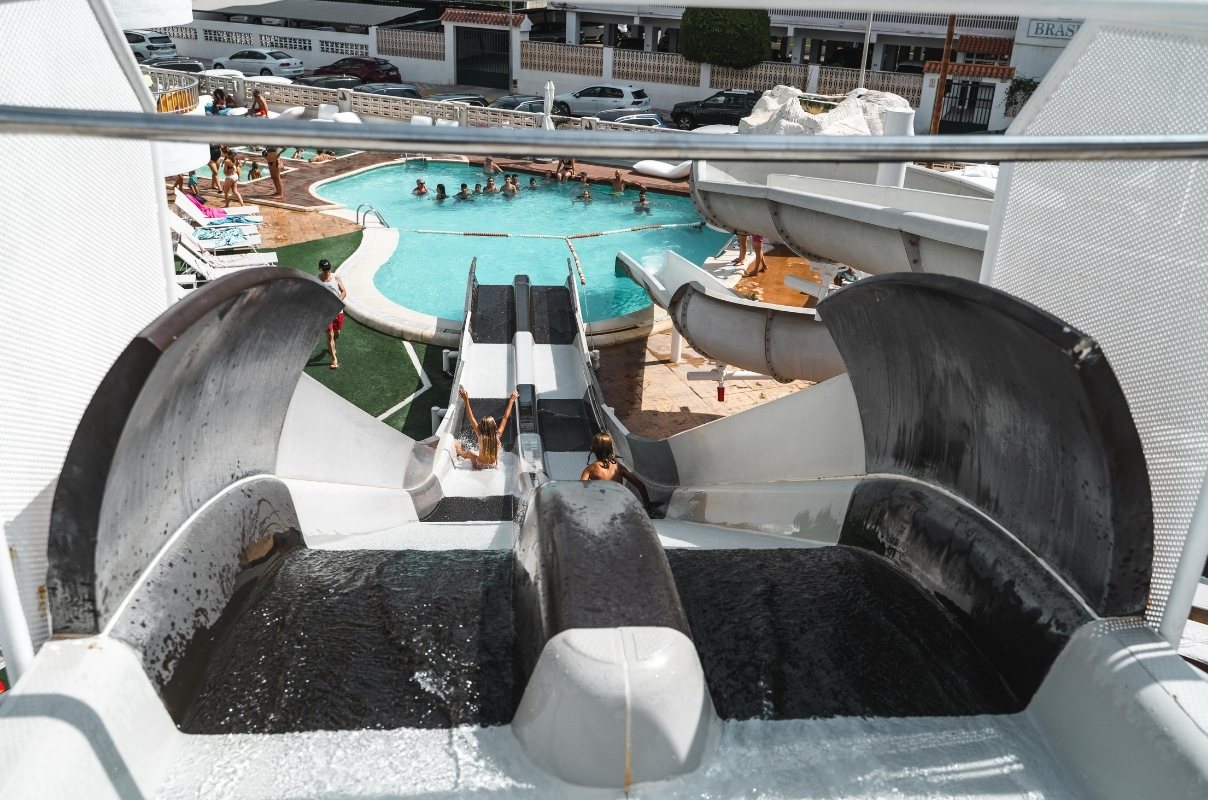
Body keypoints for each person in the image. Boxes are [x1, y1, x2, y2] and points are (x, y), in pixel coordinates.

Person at [580, 432, 651, 509]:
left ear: (593, 449)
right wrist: (647, 507)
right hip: (619, 507)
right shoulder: (618, 467)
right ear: (611, 449)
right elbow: (641, 486)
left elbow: (580, 491)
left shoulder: (589, 469)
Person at [455, 387, 518, 469]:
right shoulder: (498, 435)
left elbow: (471, 417)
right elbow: (505, 417)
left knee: (469, 453)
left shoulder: (480, 436)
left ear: (482, 427)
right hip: (493, 464)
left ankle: (459, 451)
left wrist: (466, 400)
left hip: (479, 464)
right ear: (494, 425)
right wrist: (512, 400)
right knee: (496, 453)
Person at [318, 259, 347, 369]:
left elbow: (344, 292)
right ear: (320, 269)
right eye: (324, 269)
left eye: (328, 269)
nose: (327, 271)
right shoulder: (317, 280)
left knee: (337, 332)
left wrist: (337, 302)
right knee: (330, 335)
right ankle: (334, 359)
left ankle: (331, 345)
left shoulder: (336, 278)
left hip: (338, 310)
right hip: (326, 312)